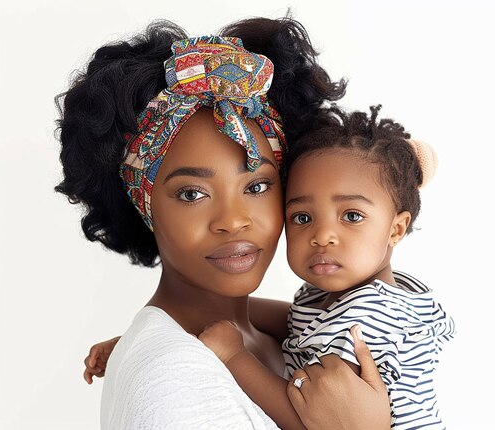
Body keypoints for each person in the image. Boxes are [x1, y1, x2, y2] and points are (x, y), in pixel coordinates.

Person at [57, 17, 392, 430]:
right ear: (144, 205)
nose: (233, 221)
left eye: (257, 185)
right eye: (192, 193)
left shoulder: (286, 335)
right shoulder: (173, 378)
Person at [198, 105, 456, 430]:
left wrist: (233, 356)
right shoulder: (355, 291)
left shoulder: (368, 317)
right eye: (303, 218)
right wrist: (216, 307)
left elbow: (311, 417)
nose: (321, 236)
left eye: (351, 216)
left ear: (396, 229)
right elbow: (295, 320)